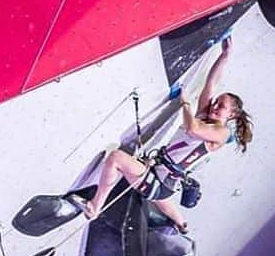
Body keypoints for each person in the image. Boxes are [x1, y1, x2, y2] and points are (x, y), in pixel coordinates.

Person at [80, 37, 253, 233]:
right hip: (162, 179)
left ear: (232, 115)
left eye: (221, 106)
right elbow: (210, 84)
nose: (214, 105)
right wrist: (225, 56)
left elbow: (192, 129)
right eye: (216, 102)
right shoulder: (206, 114)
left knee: (116, 158)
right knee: (160, 193)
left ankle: (95, 206)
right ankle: (181, 223)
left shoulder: (221, 133)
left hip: (158, 181)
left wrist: (185, 103)